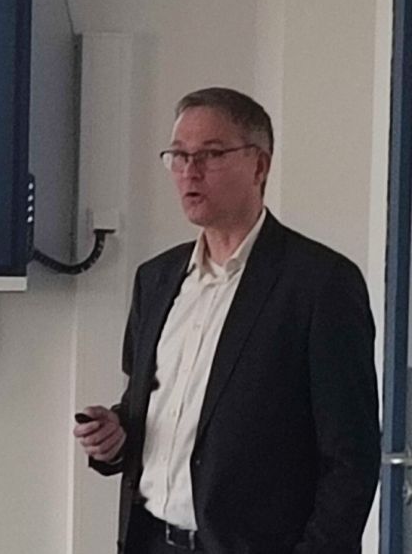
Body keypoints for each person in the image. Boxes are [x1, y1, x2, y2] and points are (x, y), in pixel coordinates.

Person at [74, 87, 380, 554]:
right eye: (179, 156)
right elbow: (151, 408)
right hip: (151, 540)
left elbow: (351, 457)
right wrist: (116, 434)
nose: (189, 171)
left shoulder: (320, 283)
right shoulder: (156, 279)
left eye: (210, 154)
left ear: (260, 166)